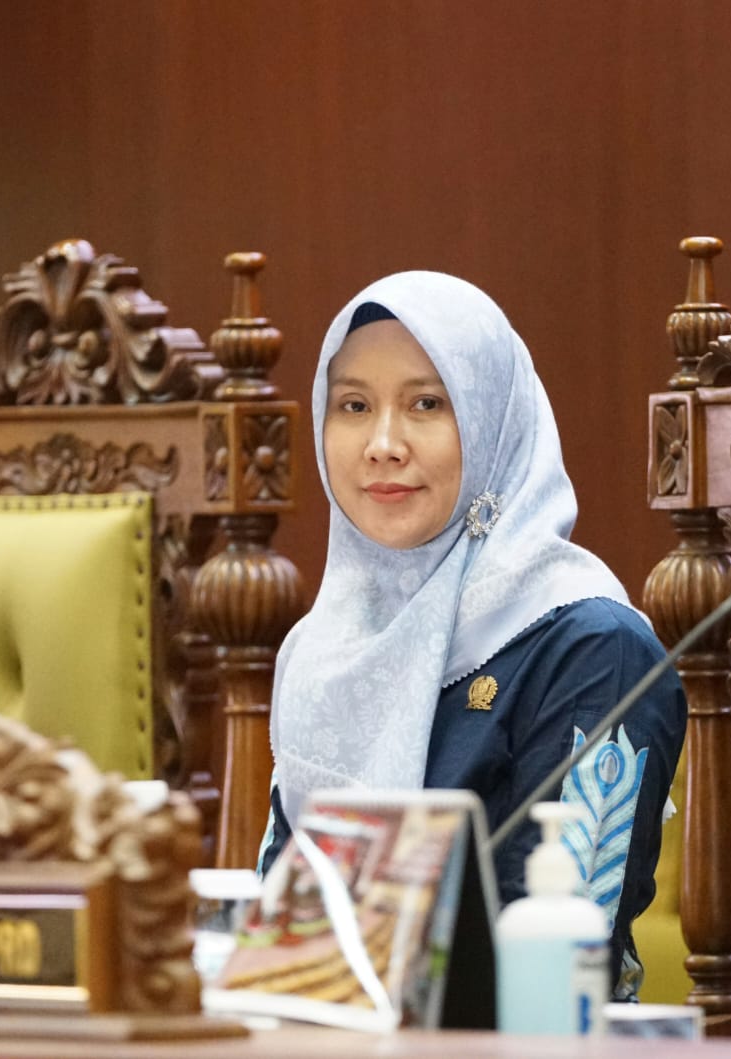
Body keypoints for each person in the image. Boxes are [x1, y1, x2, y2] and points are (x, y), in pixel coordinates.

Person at [258, 271, 686, 999]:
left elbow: (551, 974)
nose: (382, 444)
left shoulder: (594, 649)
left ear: (494, 425)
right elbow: (270, 938)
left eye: (426, 403)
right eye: (354, 405)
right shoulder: (321, 648)